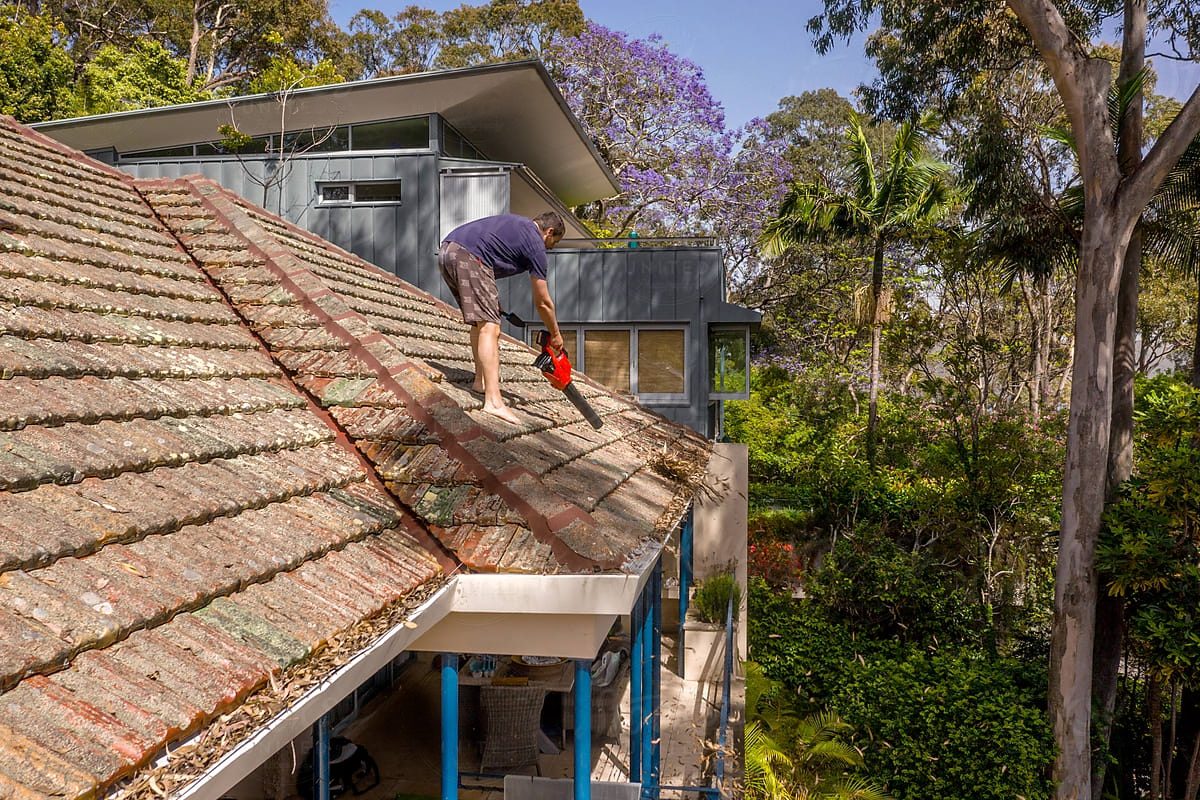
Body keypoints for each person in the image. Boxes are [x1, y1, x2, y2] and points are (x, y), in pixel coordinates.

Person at [439, 211, 566, 424]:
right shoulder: (536, 244)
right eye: (553, 242)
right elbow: (543, 302)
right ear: (549, 232)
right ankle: (494, 402)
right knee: (490, 327)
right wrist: (556, 334)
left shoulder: (517, 223)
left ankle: (480, 381)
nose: (550, 248)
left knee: (480, 322)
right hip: (470, 257)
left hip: (447, 251)